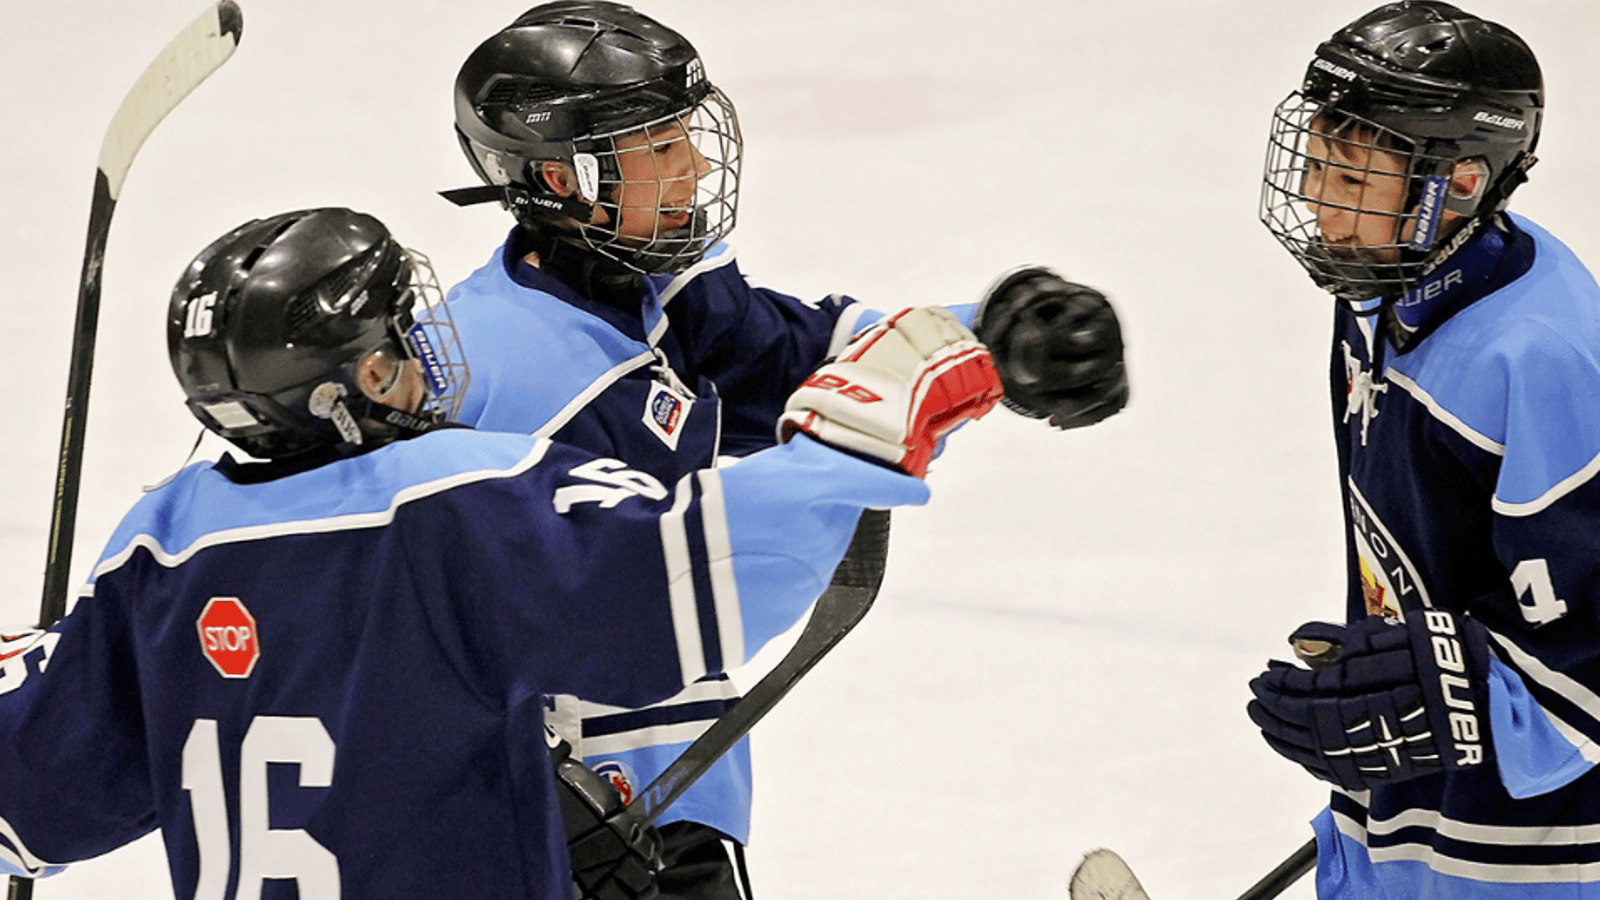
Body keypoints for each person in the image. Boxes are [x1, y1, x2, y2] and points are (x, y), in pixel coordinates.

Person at [0, 206, 1006, 900]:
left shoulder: (160, 546)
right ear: (352, 384)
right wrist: (860, 427)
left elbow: (37, 799)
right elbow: (699, 570)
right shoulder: (450, 501)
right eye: (397, 345)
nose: (427, 358)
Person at [439, 3, 1131, 897]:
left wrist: (992, 341)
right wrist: (513, 785)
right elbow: (388, 603)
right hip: (562, 828)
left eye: (685, 132)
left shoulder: (643, 287)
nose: (692, 165)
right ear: (562, 180)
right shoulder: (507, 374)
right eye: (658, 147)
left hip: (656, 796)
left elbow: (782, 361)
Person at [1245, 3, 1600, 898]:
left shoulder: (1548, 359)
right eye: (1318, 167)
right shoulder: (1379, 294)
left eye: (1353, 179)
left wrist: (1455, 688)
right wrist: (1399, 677)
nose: (1322, 205)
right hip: (1411, 798)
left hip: (1541, 846)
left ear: (1462, 181)